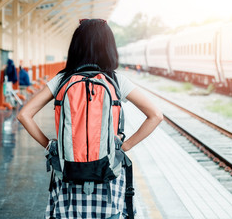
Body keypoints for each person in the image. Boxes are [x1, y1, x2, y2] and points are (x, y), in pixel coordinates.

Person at [17, 19, 163, 218]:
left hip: (68, 171)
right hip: (108, 173)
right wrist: (124, 146)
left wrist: (51, 145)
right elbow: (155, 115)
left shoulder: (62, 80)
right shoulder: (116, 80)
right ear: (109, 47)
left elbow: (24, 115)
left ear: (76, 47)